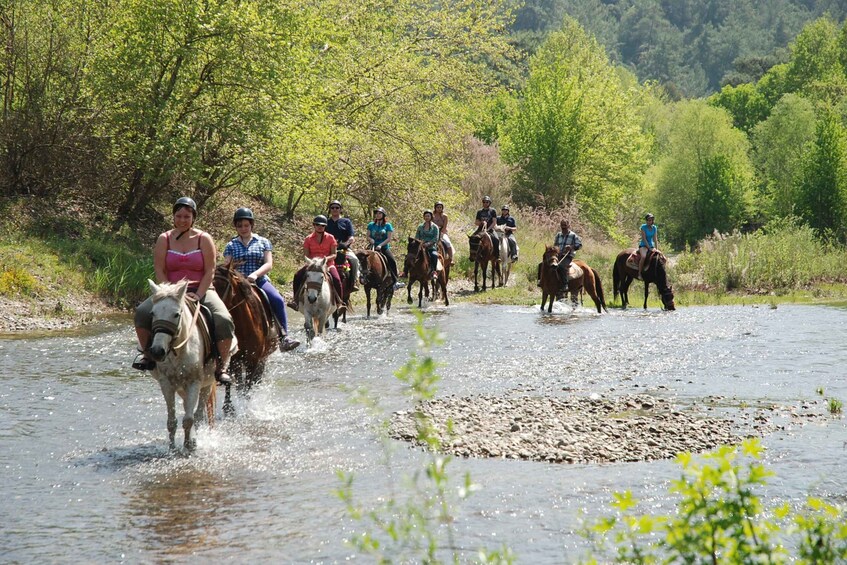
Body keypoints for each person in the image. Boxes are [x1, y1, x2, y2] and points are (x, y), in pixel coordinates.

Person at [133, 197, 235, 384]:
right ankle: (147, 354)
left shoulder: (204, 239)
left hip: (200, 288)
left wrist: (198, 294)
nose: (182, 220)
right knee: (141, 313)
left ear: (193, 217)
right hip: (170, 291)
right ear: (173, 216)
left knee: (223, 318)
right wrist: (170, 293)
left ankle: (222, 366)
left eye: (186, 216)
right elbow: (159, 269)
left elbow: (210, 270)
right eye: (178, 216)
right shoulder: (164, 239)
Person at [223, 207, 300, 352]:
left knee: (277, 299)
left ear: (251, 225)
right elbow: (228, 266)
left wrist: (255, 275)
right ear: (235, 227)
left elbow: (268, 263)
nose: (243, 228)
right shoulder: (231, 245)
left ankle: (284, 336)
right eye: (239, 226)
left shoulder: (263, 242)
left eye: (246, 225)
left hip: (259, 280)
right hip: (238, 283)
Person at [293, 215, 346, 311]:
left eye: (322, 225)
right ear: (314, 225)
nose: (320, 227)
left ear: (325, 226)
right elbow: (306, 255)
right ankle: (295, 300)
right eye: (317, 225)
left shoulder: (331, 238)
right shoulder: (308, 239)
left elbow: (334, 254)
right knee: (297, 276)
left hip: (327, 265)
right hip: (312, 265)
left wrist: (325, 259)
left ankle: (339, 303)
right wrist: (314, 262)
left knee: (337, 279)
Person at [537, 219, 582, 296]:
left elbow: (580, 245)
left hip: (567, 255)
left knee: (561, 266)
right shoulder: (558, 235)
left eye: (565, 225)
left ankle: (565, 284)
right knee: (542, 264)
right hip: (558, 255)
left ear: (568, 225)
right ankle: (541, 281)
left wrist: (571, 247)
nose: (563, 227)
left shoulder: (573, 235)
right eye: (562, 225)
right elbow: (555, 245)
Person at [326, 200, 360, 292]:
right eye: (332, 208)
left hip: (343, 248)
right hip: (328, 249)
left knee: (354, 260)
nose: (335, 209)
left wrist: (345, 244)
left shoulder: (346, 221)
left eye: (337, 207)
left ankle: (354, 282)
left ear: (340, 209)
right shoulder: (326, 222)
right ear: (330, 209)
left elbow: (351, 237)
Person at [367, 207, 402, 288]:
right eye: (376, 213)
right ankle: (362, 278)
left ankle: (395, 281)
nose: (378, 215)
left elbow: (389, 238)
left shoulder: (388, 225)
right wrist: (370, 239)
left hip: (383, 247)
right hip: (372, 246)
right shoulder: (370, 225)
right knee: (362, 258)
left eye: (380, 213)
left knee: (392, 260)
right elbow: (368, 236)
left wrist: (380, 245)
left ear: (383, 215)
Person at [415, 210, 441, 280]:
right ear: (424, 217)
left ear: (431, 217)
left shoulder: (435, 227)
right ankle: (407, 271)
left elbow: (435, 238)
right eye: (425, 216)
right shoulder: (420, 226)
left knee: (434, 255)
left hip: (431, 246)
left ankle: (434, 271)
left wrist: (428, 244)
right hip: (421, 246)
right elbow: (417, 236)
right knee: (411, 255)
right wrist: (420, 243)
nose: (427, 217)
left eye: (428, 216)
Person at [637, 213, 659, 280]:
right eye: (648, 220)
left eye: (651, 220)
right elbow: (644, 239)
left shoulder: (654, 227)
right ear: (646, 221)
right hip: (643, 245)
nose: (650, 221)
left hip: (651, 245)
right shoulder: (643, 227)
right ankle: (639, 273)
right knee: (643, 256)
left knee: (662, 257)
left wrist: (657, 249)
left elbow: (655, 239)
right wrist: (649, 248)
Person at [432, 201, 454, 266]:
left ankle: (451, 258)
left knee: (448, 242)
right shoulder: (432, 216)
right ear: (435, 208)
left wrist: (441, 234)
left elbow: (444, 227)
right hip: (433, 232)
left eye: (440, 207)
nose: (439, 208)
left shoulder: (444, 216)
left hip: (442, 232)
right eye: (438, 207)